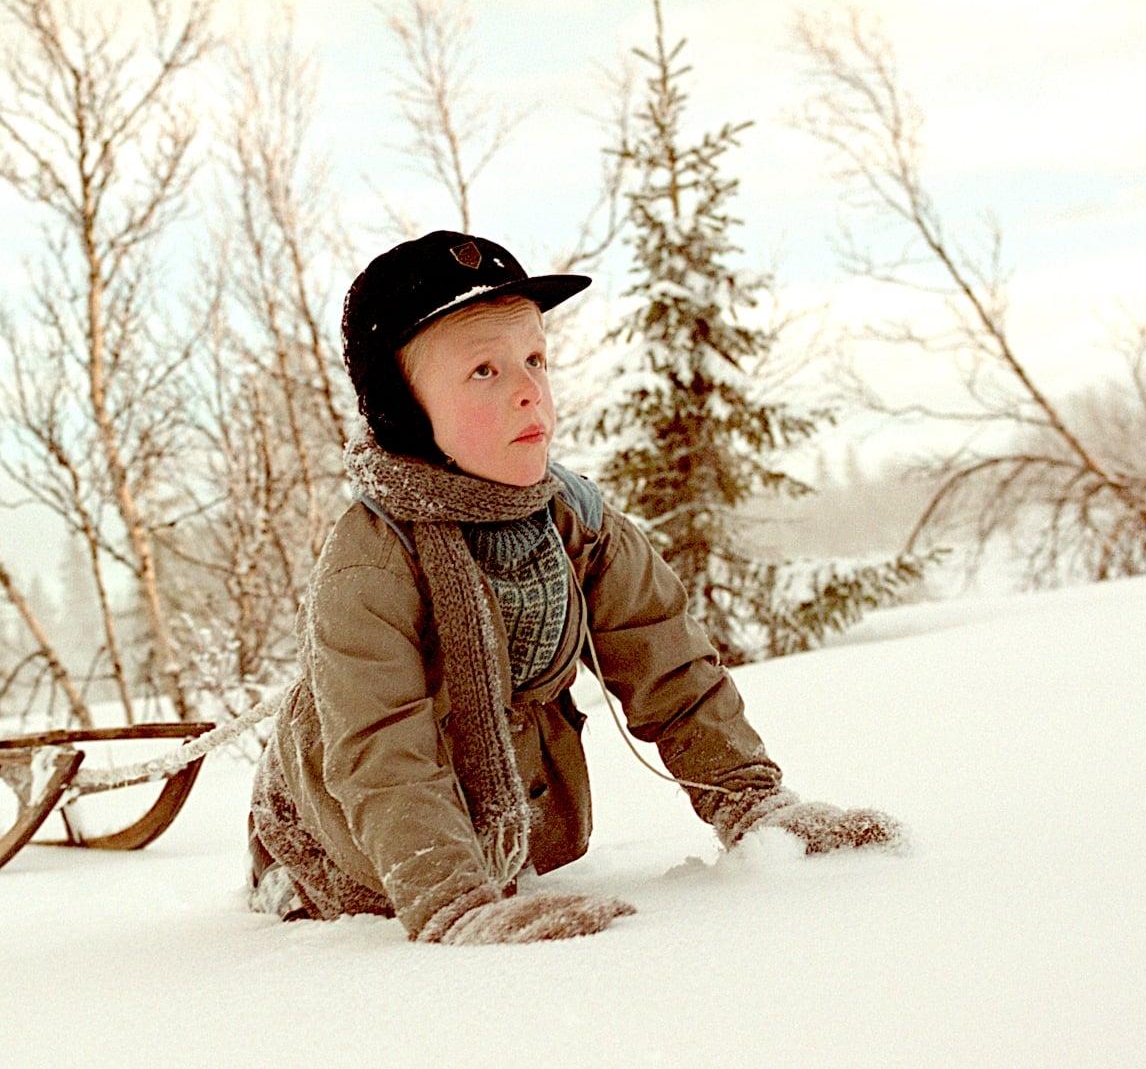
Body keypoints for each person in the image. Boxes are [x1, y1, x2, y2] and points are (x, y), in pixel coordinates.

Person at [246, 230, 903, 946]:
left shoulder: (577, 525)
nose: (530, 392)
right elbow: (382, 750)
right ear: (405, 411)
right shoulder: (370, 563)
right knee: (331, 888)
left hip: (494, 840)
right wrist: (455, 905)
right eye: (484, 373)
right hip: (343, 848)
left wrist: (752, 807)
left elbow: (673, 673)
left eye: (534, 359)